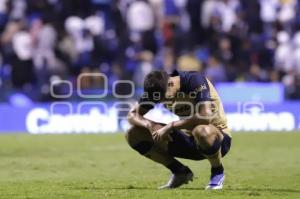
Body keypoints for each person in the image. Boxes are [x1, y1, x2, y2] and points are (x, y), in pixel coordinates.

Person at [125, 70, 232, 189]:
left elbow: (205, 116)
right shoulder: (157, 89)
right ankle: (180, 172)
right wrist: (149, 125)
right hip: (189, 142)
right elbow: (132, 114)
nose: (163, 102)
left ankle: (217, 171)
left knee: (201, 130)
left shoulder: (193, 80)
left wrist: (171, 126)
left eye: (164, 98)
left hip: (217, 140)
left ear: (170, 84)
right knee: (133, 134)